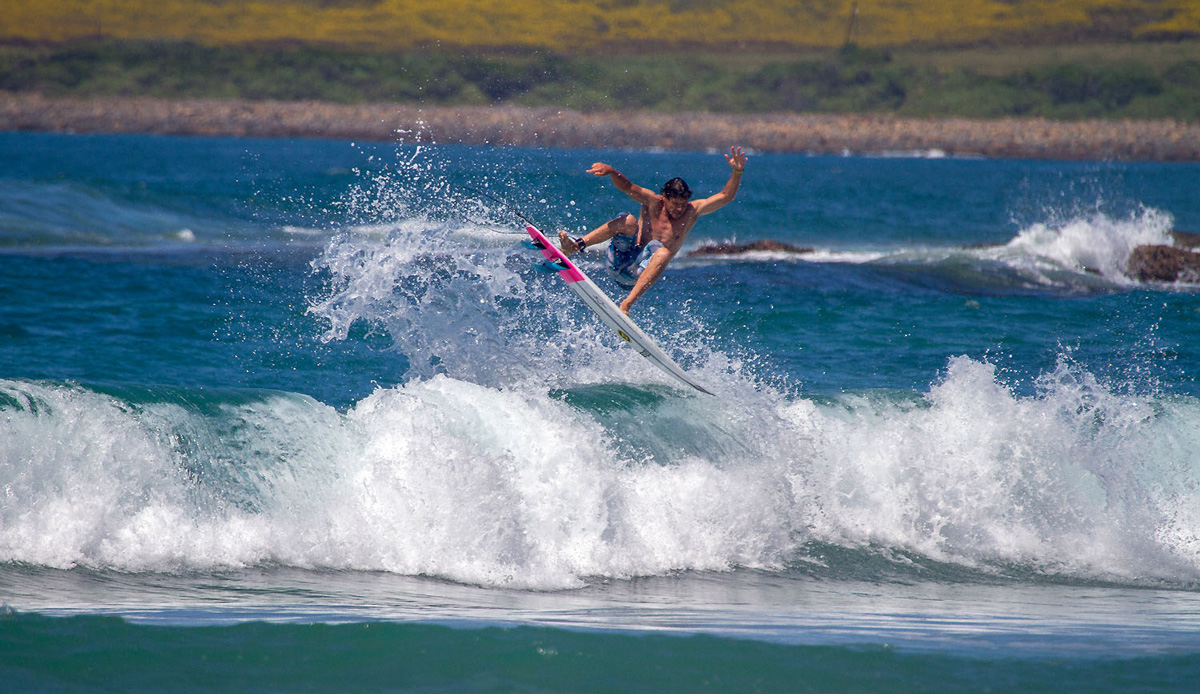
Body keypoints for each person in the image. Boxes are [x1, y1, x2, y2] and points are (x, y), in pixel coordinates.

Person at [558, 146, 748, 314]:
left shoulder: (693, 211)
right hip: (618, 260)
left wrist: (737, 172)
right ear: (665, 198)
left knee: (662, 251)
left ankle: (625, 305)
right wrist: (612, 172)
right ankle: (575, 246)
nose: (679, 209)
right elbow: (628, 186)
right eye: (675, 204)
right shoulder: (652, 202)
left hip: (634, 277)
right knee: (628, 220)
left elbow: (725, 196)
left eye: (682, 204)